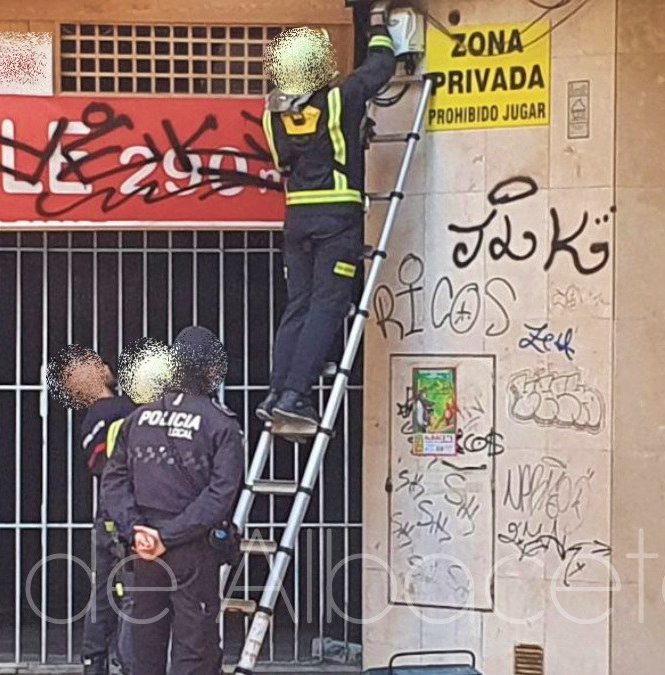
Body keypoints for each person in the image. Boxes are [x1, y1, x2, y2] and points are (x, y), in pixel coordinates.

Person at [257, 3, 400, 426]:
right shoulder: (340, 99)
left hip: (296, 218)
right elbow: (381, 66)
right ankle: (295, 396)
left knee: (298, 305)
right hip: (337, 215)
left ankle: (277, 390)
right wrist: (378, 22)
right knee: (328, 304)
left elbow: (288, 160)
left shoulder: (272, 114)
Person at [100, 326, 245, 675]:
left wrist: (137, 530)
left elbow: (113, 482)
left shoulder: (137, 420)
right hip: (192, 550)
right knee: (195, 649)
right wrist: (168, 536)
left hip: (143, 551)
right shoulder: (221, 425)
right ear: (211, 370)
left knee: (143, 646)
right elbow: (221, 495)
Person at [79, 359, 138, 675]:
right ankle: (131, 664)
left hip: (106, 514)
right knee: (134, 595)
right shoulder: (120, 410)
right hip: (128, 515)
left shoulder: (92, 418)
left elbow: (96, 464)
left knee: (102, 594)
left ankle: (94, 662)